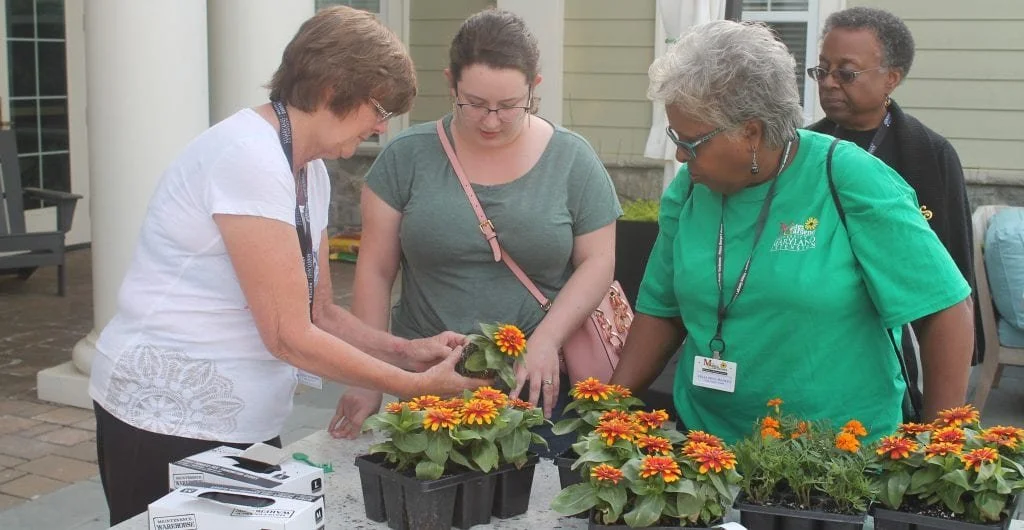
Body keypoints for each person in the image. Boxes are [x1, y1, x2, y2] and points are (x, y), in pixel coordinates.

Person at [88, 7, 486, 525]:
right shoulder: (248, 156)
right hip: (166, 418)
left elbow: (318, 311)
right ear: (330, 90)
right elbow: (287, 335)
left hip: (238, 419)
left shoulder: (308, 170)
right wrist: (410, 386)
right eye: (379, 109)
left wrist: (407, 352)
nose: (381, 127)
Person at [609, 20, 974, 444]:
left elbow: (944, 309)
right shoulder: (690, 190)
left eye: (691, 142)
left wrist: (941, 450)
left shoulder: (848, 177)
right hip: (706, 453)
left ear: (751, 132)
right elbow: (662, 310)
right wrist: (608, 411)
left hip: (837, 461)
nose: (679, 154)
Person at [327, 8, 621, 457]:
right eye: (474, 103)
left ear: (534, 87)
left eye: (508, 106)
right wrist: (370, 377)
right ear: (451, 83)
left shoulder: (572, 160)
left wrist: (546, 342)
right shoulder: (406, 159)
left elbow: (598, 261)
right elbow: (375, 270)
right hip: (430, 386)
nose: (490, 120)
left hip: (536, 385)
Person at [807, 6, 982, 408]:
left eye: (846, 73)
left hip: (896, 345)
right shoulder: (803, 149)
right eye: (822, 70)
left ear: (892, 78)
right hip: (818, 337)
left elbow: (953, 268)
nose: (830, 83)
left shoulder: (930, 154)